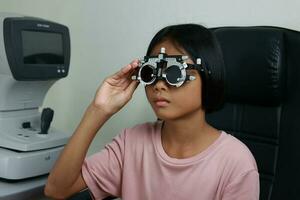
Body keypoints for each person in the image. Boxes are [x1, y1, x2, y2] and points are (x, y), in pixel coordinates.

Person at [45, 24, 259, 200]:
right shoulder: (132, 143)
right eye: (151, 73)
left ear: (209, 76)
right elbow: (57, 189)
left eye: (175, 73)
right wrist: (98, 110)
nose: (159, 85)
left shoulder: (235, 162)